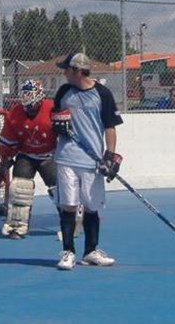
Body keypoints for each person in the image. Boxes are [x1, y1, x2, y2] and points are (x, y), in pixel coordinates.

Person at [50, 52, 124, 270]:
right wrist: (57, 124)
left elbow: (110, 127)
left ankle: (91, 251)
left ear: (78, 71)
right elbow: (55, 117)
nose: (64, 73)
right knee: (69, 205)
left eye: (67, 69)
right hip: (67, 157)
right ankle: (68, 252)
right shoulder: (64, 92)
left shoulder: (102, 94)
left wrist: (109, 157)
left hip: (92, 161)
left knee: (92, 206)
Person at [0, 80, 65, 240]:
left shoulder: (53, 108)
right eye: (24, 93)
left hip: (50, 154)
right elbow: (8, 139)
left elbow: (66, 134)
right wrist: (4, 160)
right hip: (26, 154)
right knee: (19, 188)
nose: (26, 98)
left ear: (39, 95)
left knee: (59, 190)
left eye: (29, 93)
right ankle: (17, 225)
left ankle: (71, 223)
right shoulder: (15, 113)